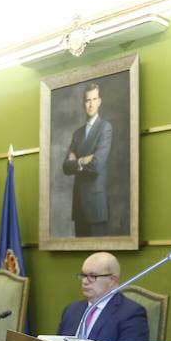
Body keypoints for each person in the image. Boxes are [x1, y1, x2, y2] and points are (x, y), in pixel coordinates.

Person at [57, 252, 148, 341]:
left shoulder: (131, 314)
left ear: (112, 280)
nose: (85, 281)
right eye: (83, 275)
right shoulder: (71, 310)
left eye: (92, 276)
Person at [62, 82, 113, 237]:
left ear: (99, 101)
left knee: (98, 259)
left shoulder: (105, 127)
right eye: (87, 100)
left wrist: (76, 162)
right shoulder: (77, 134)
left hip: (96, 206)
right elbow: (65, 167)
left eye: (94, 99)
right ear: (83, 103)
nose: (90, 104)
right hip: (79, 206)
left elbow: (97, 165)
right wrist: (82, 161)